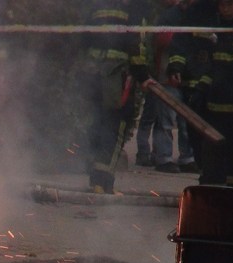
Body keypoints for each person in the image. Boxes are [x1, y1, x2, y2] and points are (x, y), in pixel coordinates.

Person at [169, 0, 233, 190]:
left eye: (230, 4)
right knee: (226, 157)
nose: (225, 8)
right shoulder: (214, 28)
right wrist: (200, 90)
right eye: (222, 4)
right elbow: (215, 67)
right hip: (223, 105)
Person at [82, 0, 151, 194]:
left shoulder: (98, 5)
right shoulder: (135, 8)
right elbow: (136, 45)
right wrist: (143, 75)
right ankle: (104, 184)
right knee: (116, 126)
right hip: (116, 79)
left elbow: (83, 39)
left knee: (98, 124)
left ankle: (95, 181)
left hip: (93, 75)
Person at [135, 0, 197, 174]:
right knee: (165, 121)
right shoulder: (169, 16)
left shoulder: (199, 14)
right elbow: (161, 42)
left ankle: (187, 158)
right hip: (166, 76)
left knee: (187, 122)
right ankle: (164, 158)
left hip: (189, 78)